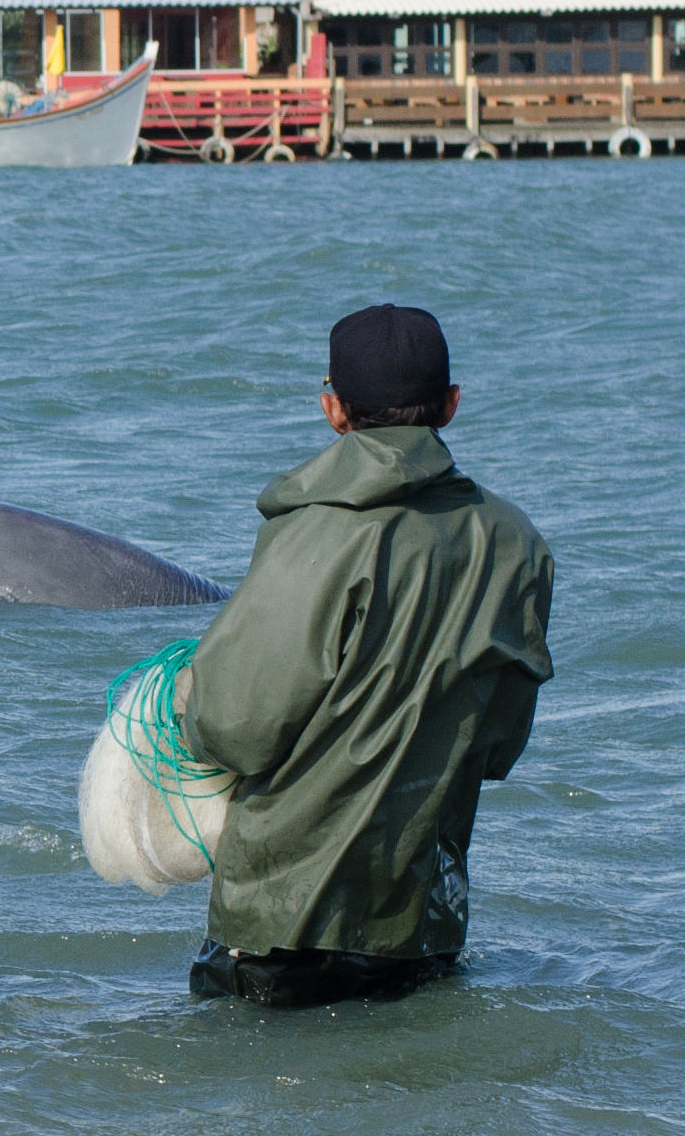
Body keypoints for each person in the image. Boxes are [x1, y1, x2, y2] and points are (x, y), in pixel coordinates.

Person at [182, 304, 554, 1008]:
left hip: (280, 920)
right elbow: (499, 745)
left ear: (332, 409)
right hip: (423, 921)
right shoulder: (517, 542)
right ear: (450, 403)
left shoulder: (315, 534)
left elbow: (233, 725)